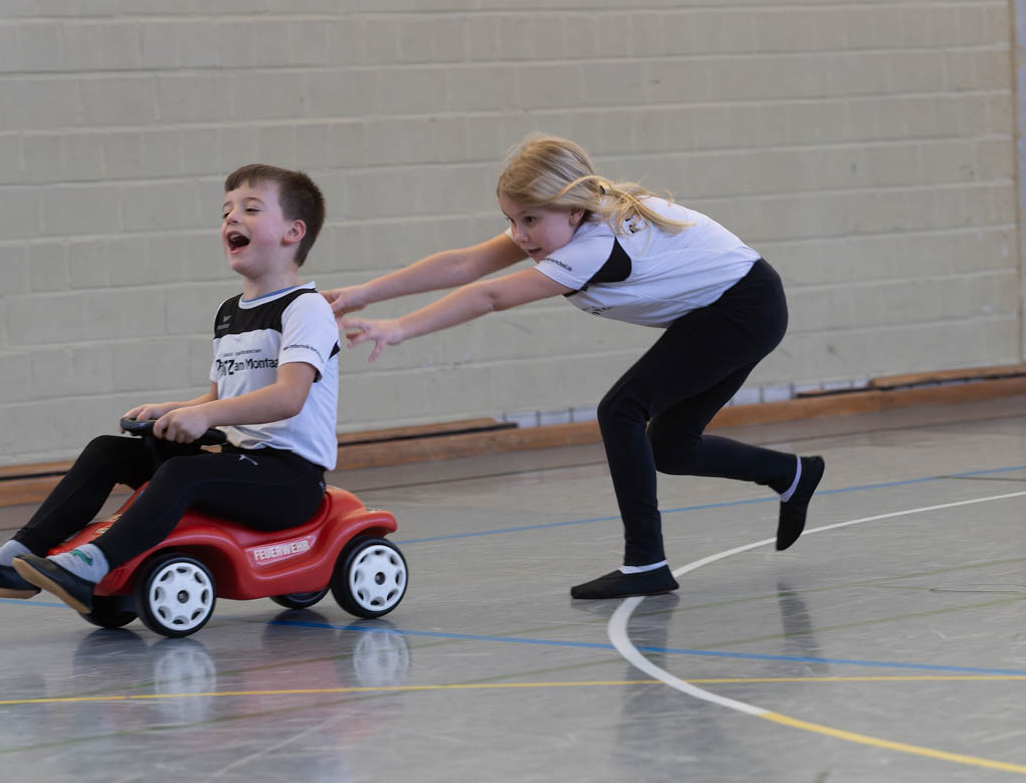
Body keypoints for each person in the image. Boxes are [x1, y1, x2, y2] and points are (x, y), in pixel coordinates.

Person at [327, 135, 823, 600]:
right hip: (735, 307)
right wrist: (363, 293)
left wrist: (399, 328)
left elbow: (490, 295)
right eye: (511, 219)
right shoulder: (570, 220)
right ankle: (792, 474)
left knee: (621, 410)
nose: (519, 235)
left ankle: (646, 563)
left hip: (743, 310)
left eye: (529, 220)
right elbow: (465, 265)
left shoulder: (594, 245)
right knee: (671, 446)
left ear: (572, 209)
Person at [0, 164, 340, 615]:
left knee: (185, 474)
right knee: (108, 451)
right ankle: (18, 558)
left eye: (251, 209)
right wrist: (175, 409)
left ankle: (91, 567)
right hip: (237, 460)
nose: (231, 218)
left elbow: (288, 397)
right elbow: (222, 397)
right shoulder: (230, 312)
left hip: (288, 479)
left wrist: (204, 416)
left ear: (293, 232)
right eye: (226, 210)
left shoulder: (306, 309)